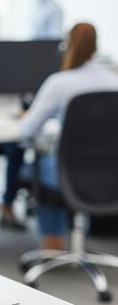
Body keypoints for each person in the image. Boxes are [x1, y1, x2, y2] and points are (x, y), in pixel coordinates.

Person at [20, 23, 118, 250]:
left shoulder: (59, 83)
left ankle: (53, 239)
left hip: (69, 174)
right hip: (111, 173)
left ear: (68, 47)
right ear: (96, 47)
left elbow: (26, 133)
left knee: (34, 166)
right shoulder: (115, 81)